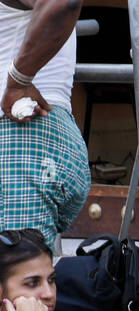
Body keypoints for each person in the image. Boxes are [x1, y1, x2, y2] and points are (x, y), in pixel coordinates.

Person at [0, 0, 89, 246]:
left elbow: (63, 2)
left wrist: (18, 80)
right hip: (26, 145)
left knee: (17, 275)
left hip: (21, 143)